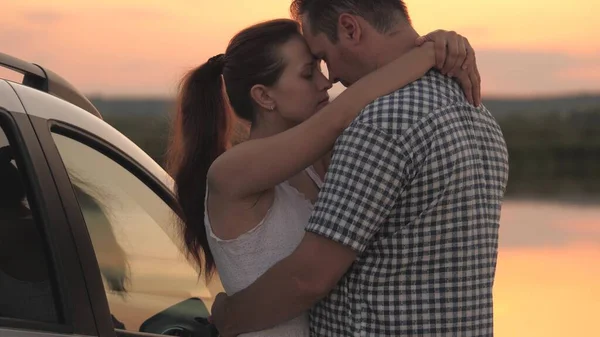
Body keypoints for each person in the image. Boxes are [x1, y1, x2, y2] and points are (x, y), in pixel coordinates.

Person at [167, 16, 481, 337]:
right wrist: (427, 53)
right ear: (264, 96)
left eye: (319, 66)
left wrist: (442, 42)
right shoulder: (232, 171)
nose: (325, 82)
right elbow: (340, 116)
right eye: (307, 74)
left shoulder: (317, 160)